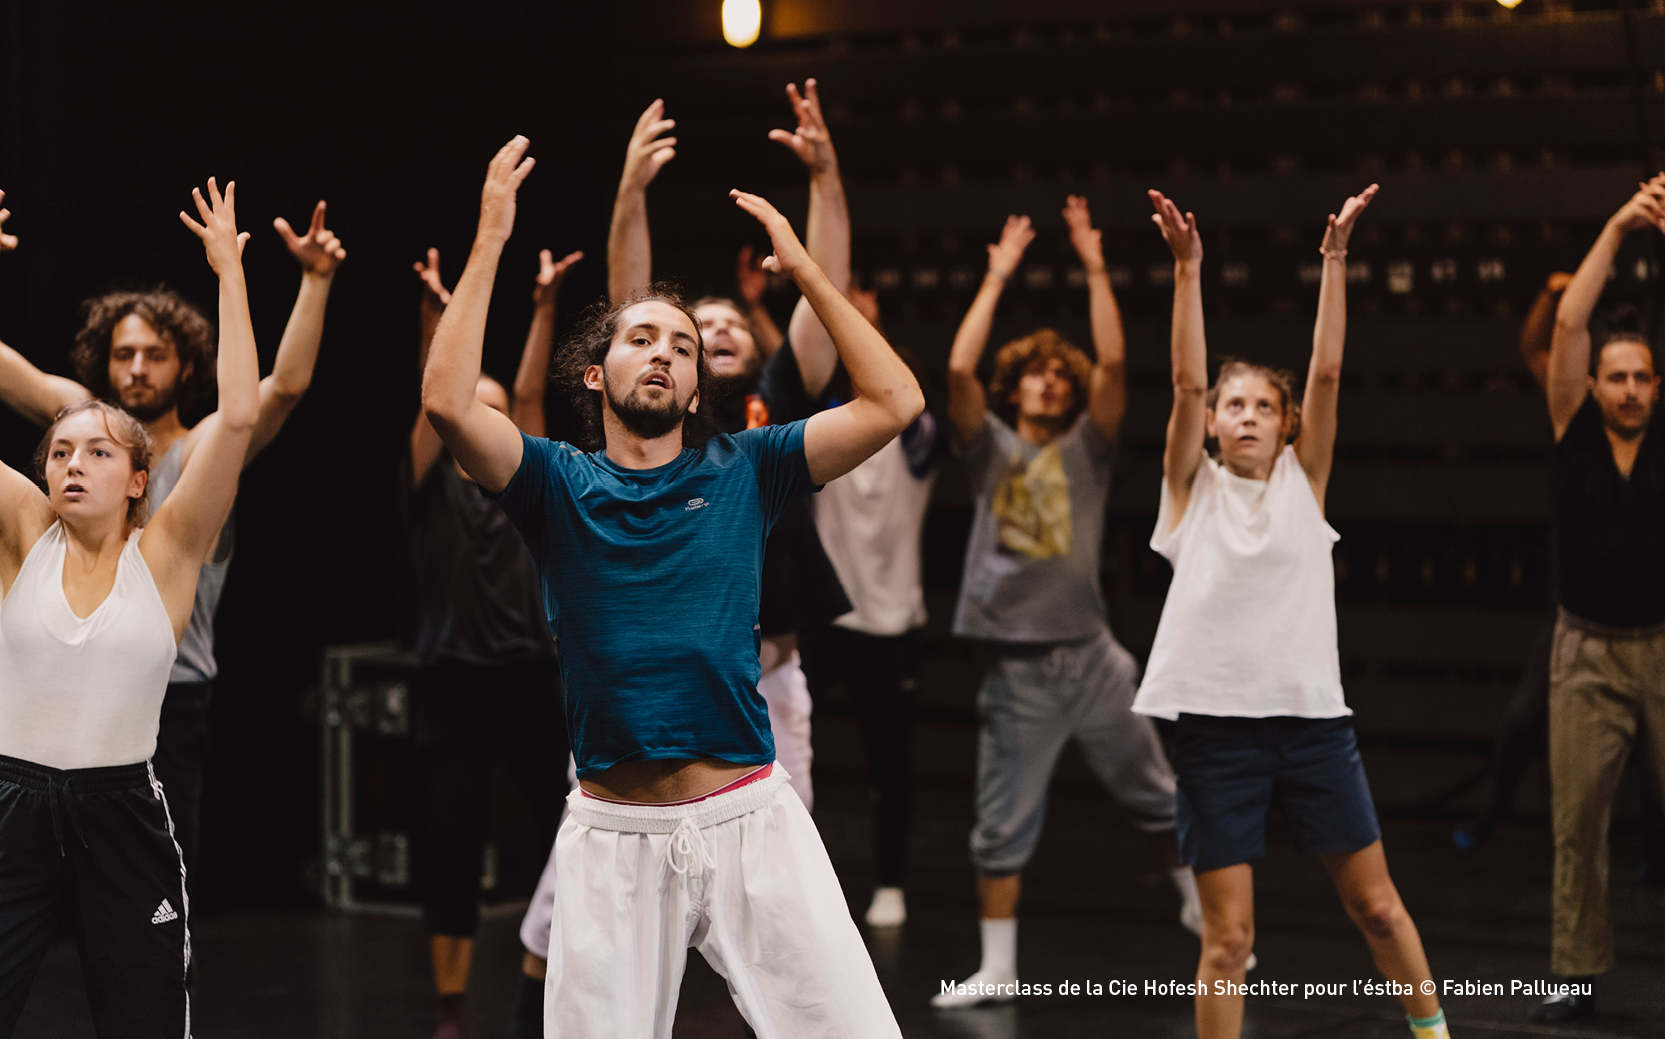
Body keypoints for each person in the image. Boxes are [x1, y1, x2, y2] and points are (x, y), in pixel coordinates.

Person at [423, 135, 920, 1038]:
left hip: (749, 819)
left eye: (681, 346)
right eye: (639, 338)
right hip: (613, 838)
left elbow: (894, 401)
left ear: (697, 388)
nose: (662, 353)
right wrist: (491, 236)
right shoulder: (552, 481)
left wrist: (804, 269)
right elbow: (450, 405)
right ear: (593, 373)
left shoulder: (749, 465)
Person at [1134, 185, 1452, 1039]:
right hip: (1216, 736)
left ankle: (1434, 1032)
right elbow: (1183, 376)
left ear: (1287, 427)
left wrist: (1337, 261)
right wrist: (1188, 271)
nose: (1246, 414)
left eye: (1263, 406)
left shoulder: (1302, 487)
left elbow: (1328, 369)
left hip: (1313, 730)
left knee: (1378, 909)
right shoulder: (1187, 492)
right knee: (1228, 936)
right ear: (1209, 423)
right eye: (1232, 404)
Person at [0, 191, 346, 883]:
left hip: (170, 689)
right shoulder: (80, 430)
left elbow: (276, 392)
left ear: (184, 365)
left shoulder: (200, 453)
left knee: (153, 884)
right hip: (62, 681)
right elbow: (21, 379)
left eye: (153, 355)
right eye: (123, 353)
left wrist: (312, 280)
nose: (135, 369)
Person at [0, 178, 258, 1037]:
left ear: (139, 478)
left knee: (144, 1017)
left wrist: (229, 270)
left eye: (98, 450)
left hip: (123, 816)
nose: (73, 462)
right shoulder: (23, 536)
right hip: (13, 806)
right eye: (60, 449)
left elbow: (243, 415)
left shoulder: (168, 552)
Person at [932, 198, 1198, 1009]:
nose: (1050, 380)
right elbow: (954, 374)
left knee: (1157, 796)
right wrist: (996, 275)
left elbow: (1115, 369)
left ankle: (1205, 914)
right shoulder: (990, 449)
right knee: (1000, 822)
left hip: (1091, 658)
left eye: (1060, 374)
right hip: (1016, 671)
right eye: (1036, 373)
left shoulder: (1088, 448)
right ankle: (999, 965)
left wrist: (1092, 263)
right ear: (1016, 389)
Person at [608, 82, 854, 811]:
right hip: (656, 678)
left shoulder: (775, 405)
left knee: (776, 904)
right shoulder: (656, 408)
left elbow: (826, 295)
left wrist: (825, 179)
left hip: (766, 677)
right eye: (696, 325)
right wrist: (629, 194)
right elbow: (628, 309)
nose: (715, 329)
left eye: (730, 323)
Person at [404, 245, 580, 1039]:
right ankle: (450, 1012)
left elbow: (535, 392)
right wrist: (435, 317)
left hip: (534, 677)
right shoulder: (432, 482)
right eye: (467, 408)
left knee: (569, 831)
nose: (478, 416)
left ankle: (566, 981)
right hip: (453, 680)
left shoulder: (531, 487)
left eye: (495, 407)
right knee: (450, 847)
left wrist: (544, 308)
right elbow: (434, 396)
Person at [1531, 174, 1665, 1023]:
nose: (1624, 389)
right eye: (1613, 377)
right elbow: (1570, 322)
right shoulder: (1570, 426)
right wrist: (1618, 225)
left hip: (1662, 643)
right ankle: (1573, 973)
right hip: (1583, 651)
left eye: (1639, 378)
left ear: (1655, 385)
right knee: (1577, 822)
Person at [798, 281, 941, 929]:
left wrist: (863, 322)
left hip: (889, 626)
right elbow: (797, 370)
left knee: (890, 762)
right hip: (822, 619)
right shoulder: (828, 434)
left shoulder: (918, 438)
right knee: (784, 749)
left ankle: (890, 882)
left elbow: (896, 395)